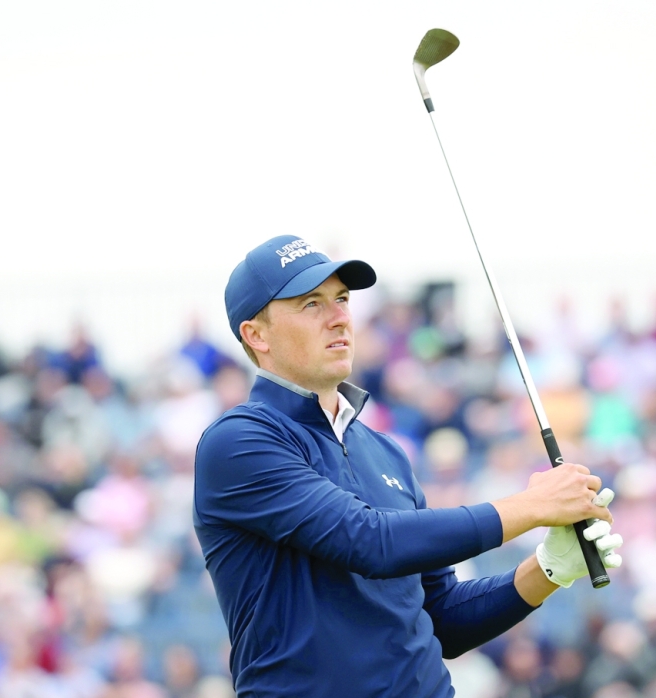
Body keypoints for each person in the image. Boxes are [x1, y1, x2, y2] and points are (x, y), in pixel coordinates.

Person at [193, 236, 624, 698]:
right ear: (257, 335)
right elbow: (371, 542)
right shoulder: (238, 442)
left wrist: (548, 569)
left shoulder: (385, 451)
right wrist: (534, 506)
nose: (339, 317)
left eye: (342, 299)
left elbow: (443, 618)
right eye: (311, 304)